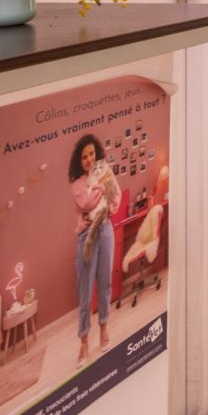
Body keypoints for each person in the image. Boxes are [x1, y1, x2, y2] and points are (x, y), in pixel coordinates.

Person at [68, 133, 116, 361]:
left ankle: (104, 328)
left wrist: (111, 202)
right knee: (85, 292)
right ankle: (84, 342)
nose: (89, 159)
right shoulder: (77, 185)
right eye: (84, 156)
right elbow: (87, 203)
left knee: (105, 284)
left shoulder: (105, 172)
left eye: (91, 154)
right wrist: (103, 189)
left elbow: (115, 196)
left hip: (105, 229)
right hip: (87, 235)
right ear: (79, 161)